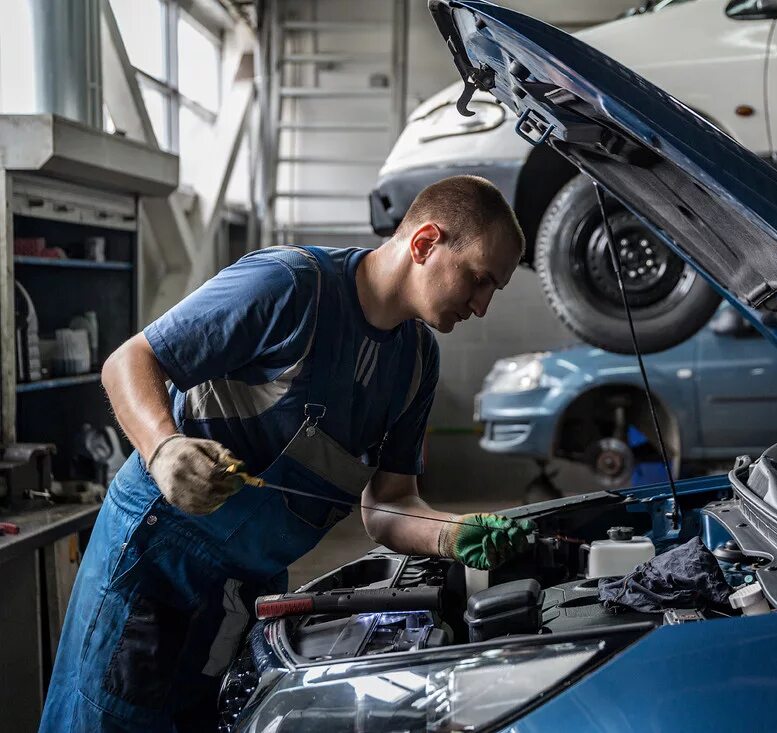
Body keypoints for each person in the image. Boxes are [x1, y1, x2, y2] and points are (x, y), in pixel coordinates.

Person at [40, 175, 534, 731]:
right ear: (424, 244)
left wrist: (450, 534)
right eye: (479, 279)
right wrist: (163, 448)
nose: (483, 305)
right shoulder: (288, 286)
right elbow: (128, 362)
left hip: (246, 591)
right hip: (157, 567)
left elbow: (390, 504)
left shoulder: (417, 363)